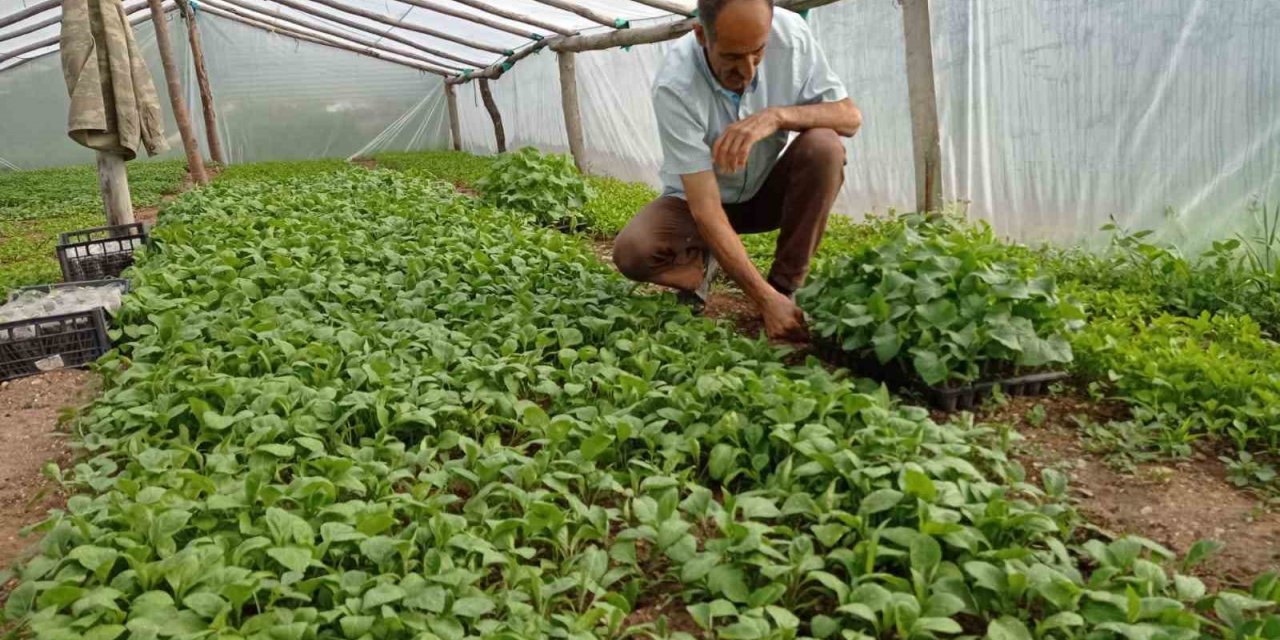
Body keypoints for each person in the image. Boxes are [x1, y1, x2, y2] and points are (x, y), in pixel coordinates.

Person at [612, 0, 861, 341]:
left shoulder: (792, 37)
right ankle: (700, 269)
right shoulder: (676, 84)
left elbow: (849, 117)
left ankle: (784, 287)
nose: (747, 71)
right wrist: (758, 299)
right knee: (633, 251)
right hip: (698, 206)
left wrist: (777, 116)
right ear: (701, 35)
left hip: (762, 195)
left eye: (757, 52)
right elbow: (705, 209)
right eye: (731, 57)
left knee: (825, 147)